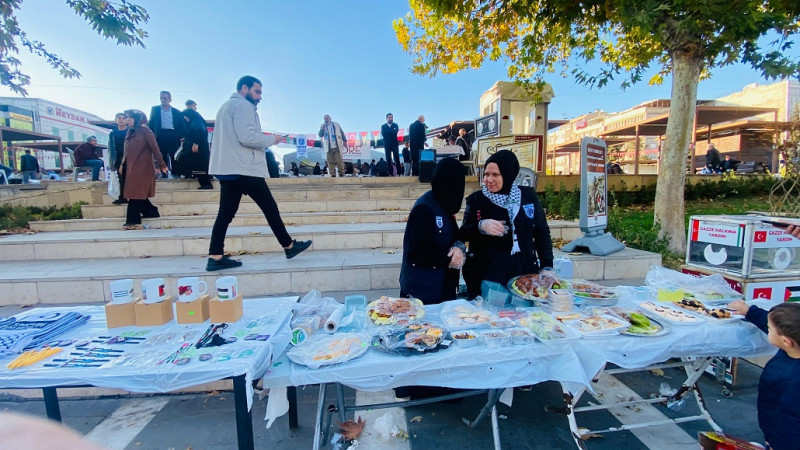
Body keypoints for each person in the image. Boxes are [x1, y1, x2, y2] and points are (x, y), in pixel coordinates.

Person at [207, 75, 311, 271]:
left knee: (225, 214)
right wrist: (273, 139)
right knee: (269, 207)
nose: (260, 96)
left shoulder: (225, 107)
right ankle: (288, 245)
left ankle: (215, 255)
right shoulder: (243, 106)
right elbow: (247, 137)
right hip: (243, 167)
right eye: (257, 91)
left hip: (229, 169)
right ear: (244, 89)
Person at [460, 150, 554, 299]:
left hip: (523, 272)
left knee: (523, 316)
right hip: (488, 275)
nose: (489, 179)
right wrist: (480, 226)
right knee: (493, 318)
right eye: (486, 174)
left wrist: (547, 265)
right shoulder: (477, 199)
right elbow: (464, 232)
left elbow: (541, 232)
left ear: (508, 174)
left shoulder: (527, 197)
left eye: (495, 175)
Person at [727, 301, 800, 449]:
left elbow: (787, 419)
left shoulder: (790, 379)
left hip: (784, 438)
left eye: (769, 329)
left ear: (786, 341)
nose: (767, 329)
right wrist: (749, 311)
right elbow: (780, 325)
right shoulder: (793, 343)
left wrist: (776, 443)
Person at [400, 157, 466, 304]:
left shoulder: (445, 203)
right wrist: (449, 259)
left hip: (443, 287)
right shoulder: (425, 208)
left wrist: (458, 248)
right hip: (423, 293)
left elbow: (455, 234)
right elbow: (417, 252)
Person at [119, 109, 167, 227]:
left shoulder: (146, 131)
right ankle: (151, 212)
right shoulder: (130, 131)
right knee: (137, 192)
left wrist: (162, 165)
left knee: (136, 193)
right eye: (126, 117)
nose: (127, 120)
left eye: (130, 117)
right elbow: (126, 150)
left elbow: (155, 149)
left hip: (143, 168)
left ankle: (132, 220)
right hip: (131, 167)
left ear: (137, 118)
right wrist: (122, 164)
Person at [148, 90, 185, 178]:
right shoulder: (155, 109)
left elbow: (181, 125)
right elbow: (151, 123)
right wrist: (153, 135)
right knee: (162, 154)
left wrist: (180, 135)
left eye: (165, 98)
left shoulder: (177, 112)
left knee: (174, 154)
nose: (163, 100)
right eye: (161, 98)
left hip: (173, 134)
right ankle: (164, 172)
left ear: (170, 99)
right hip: (161, 134)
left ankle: (176, 172)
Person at [178, 108, 213, 189]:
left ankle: (206, 184)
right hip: (195, 149)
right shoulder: (194, 122)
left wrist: (196, 144)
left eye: (185, 116)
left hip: (198, 150)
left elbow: (200, 132)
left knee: (199, 167)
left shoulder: (196, 122)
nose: (184, 118)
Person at [108, 113, 128, 203]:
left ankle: (133, 196)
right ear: (116, 120)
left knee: (130, 177)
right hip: (118, 157)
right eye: (119, 118)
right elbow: (110, 148)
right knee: (121, 177)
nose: (121, 120)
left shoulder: (130, 131)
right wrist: (111, 162)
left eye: (123, 118)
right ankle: (123, 197)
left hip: (130, 156)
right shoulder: (112, 133)